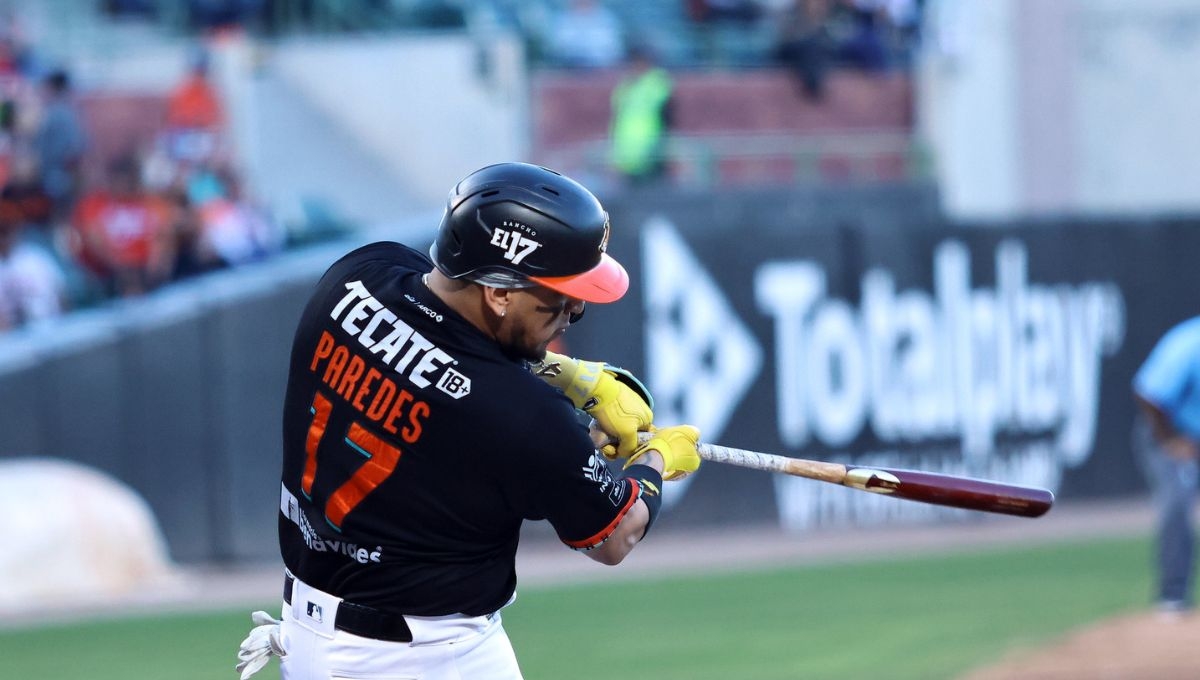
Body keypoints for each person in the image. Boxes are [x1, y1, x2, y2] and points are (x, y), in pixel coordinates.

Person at [235, 162, 701, 679]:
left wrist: (568, 375)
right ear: (499, 292)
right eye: (561, 297)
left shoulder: (356, 274)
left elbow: (438, 332)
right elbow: (617, 534)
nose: (573, 311)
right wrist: (657, 459)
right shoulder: (525, 418)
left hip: (313, 638)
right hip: (423, 657)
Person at [1132, 315, 1200, 617]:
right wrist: (1171, 441)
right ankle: (1172, 597)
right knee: (1176, 504)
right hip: (1168, 432)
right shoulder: (1190, 342)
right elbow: (1150, 394)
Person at [609, 46, 674, 185]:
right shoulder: (625, 86)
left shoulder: (656, 82)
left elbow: (668, 114)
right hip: (627, 153)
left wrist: (663, 143)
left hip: (651, 149)